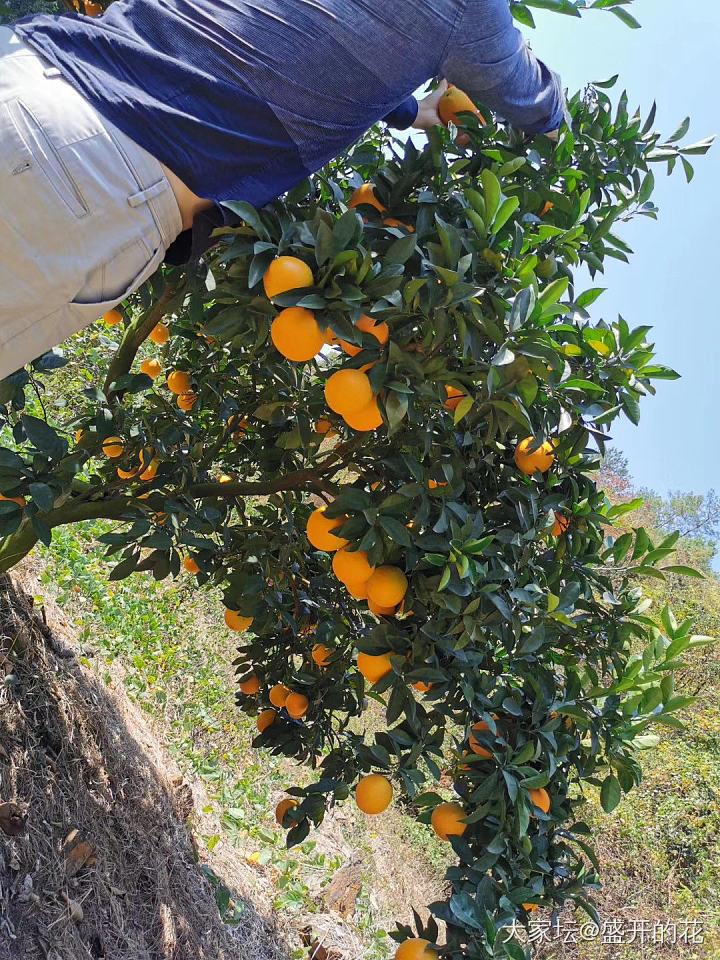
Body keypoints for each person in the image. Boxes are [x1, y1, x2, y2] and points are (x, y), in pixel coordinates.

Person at [0, 0, 566, 379]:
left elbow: (295, 30)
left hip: (29, 69)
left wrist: (407, 111)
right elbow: (536, 105)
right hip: (97, 178)